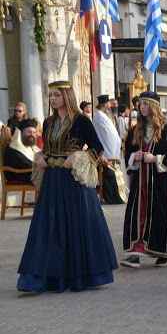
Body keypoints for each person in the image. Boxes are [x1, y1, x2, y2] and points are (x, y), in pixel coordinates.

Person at [17, 81, 118, 292]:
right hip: (53, 180)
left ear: (66, 96)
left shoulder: (81, 121)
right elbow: (46, 148)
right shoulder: (48, 122)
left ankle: (79, 276)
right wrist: (39, 156)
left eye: (56, 95)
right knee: (49, 226)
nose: (52, 98)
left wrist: (78, 156)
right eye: (50, 95)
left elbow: (97, 149)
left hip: (74, 181)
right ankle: (44, 278)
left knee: (75, 225)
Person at [120, 91, 167, 268]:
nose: (142, 107)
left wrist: (156, 159)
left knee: (160, 215)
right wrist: (134, 157)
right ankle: (135, 253)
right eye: (140, 104)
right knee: (138, 214)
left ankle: (163, 251)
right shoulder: (135, 130)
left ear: (153, 106)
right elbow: (127, 152)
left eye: (145, 104)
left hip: (159, 183)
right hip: (140, 182)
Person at [93, 95, 127, 205]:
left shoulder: (103, 115)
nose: (111, 106)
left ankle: (115, 197)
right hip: (107, 150)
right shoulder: (98, 115)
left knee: (112, 174)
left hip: (111, 148)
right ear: (105, 105)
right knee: (109, 174)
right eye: (109, 104)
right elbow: (106, 134)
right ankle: (111, 197)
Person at [3, 119, 41, 184]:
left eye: (34, 132)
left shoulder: (30, 147)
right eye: (29, 132)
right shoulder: (14, 148)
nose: (32, 134)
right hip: (20, 175)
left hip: (30, 173)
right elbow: (25, 164)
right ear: (21, 133)